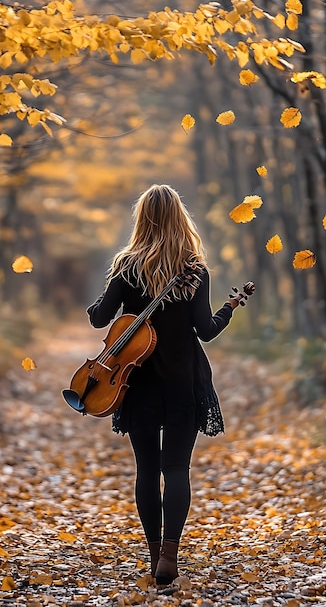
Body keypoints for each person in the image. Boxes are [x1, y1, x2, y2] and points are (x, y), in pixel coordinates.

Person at [86, 184, 253, 585]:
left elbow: (98, 319)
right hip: (183, 379)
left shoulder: (127, 266)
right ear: (181, 218)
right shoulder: (195, 270)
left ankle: (151, 555)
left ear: (142, 219)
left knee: (146, 470)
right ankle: (169, 555)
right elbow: (206, 330)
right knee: (176, 467)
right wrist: (228, 309)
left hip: (135, 380)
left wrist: (103, 299)